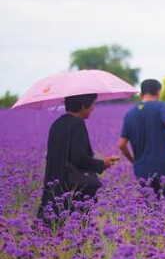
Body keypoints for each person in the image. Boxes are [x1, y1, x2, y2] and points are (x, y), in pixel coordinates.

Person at [37, 93, 120, 223]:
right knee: (76, 227)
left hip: (54, 184)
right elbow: (78, 158)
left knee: (54, 226)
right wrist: (102, 164)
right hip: (72, 188)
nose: (93, 108)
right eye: (93, 103)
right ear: (83, 106)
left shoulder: (57, 124)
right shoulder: (77, 124)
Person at [118, 79, 165, 199]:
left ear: (141, 94)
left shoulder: (129, 114)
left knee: (151, 209)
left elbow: (121, 144)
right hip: (164, 167)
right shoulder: (159, 106)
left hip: (143, 170)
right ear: (158, 92)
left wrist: (134, 161)